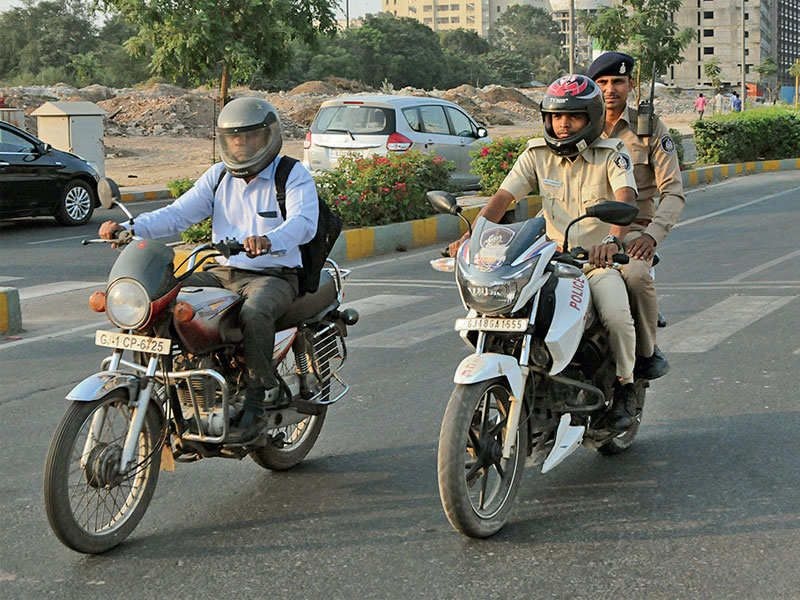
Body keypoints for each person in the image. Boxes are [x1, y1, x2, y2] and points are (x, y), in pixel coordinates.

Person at [99, 97, 319, 440]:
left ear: (268, 137)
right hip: (222, 272)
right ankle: (169, 381)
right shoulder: (218, 177)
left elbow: (304, 223)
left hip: (273, 275)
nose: (241, 145)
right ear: (224, 140)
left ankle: (258, 396)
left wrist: (269, 239)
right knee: (161, 298)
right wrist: (133, 229)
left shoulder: (291, 174)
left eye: (249, 137)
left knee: (256, 313)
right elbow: (178, 213)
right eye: (234, 138)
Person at [449, 74, 639, 431]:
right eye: (555, 116)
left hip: (593, 262)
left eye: (573, 117)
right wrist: (471, 237)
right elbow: (503, 199)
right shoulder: (536, 153)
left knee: (615, 313)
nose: (562, 125)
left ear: (591, 118)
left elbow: (625, 198)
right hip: (546, 260)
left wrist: (611, 242)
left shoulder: (612, 154)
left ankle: (626, 385)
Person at [587, 51, 685, 381]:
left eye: (618, 82)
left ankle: (644, 357)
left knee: (636, 276)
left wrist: (651, 236)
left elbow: (673, 191)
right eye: (602, 82)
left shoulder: (649, 128)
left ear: (631, 85)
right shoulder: (580, 125)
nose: (610, 89)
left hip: (632, 230)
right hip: (581, 229)